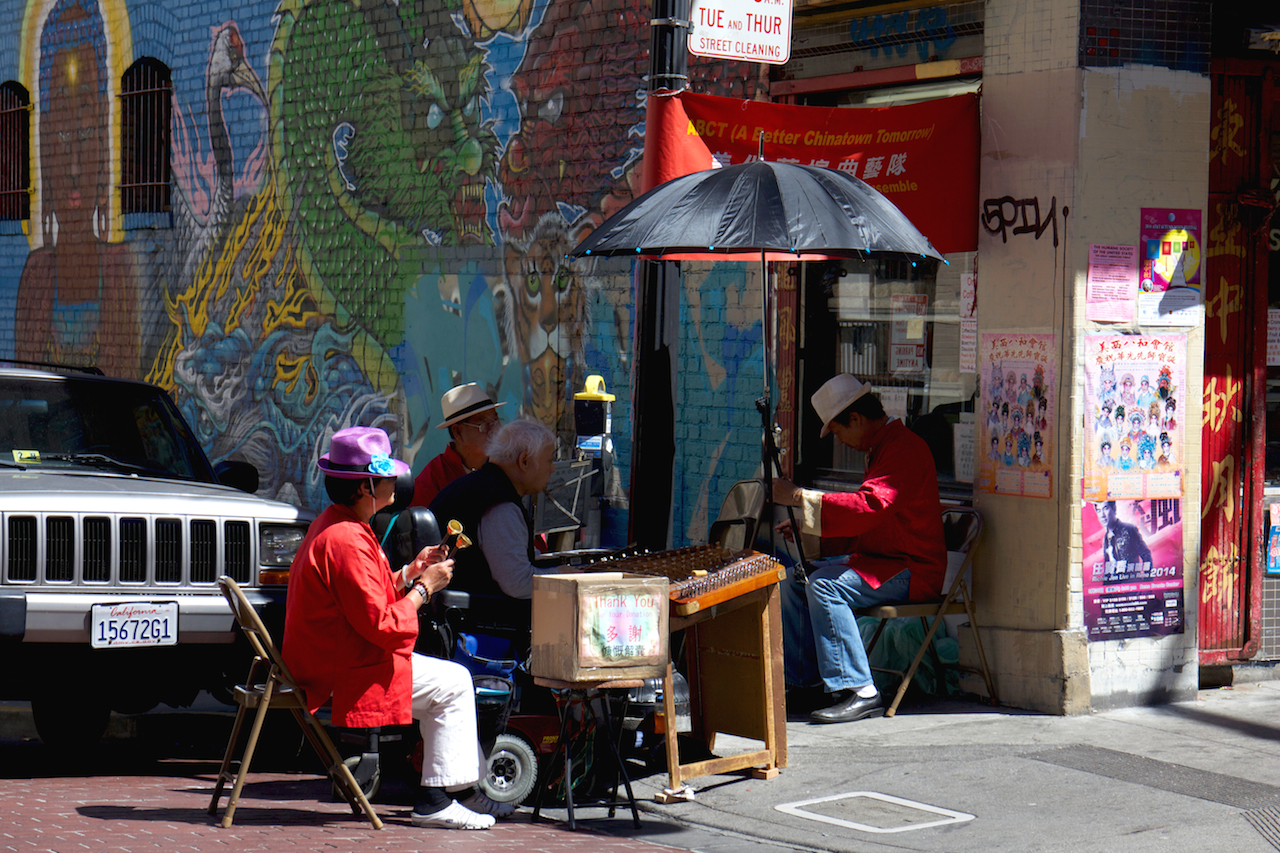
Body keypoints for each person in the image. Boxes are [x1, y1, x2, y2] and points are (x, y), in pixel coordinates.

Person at [281, 426, 513, 830]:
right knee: (455, 681)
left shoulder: (337, 525)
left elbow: (363, 597)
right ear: (366, 486)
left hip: (336, 654)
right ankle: (437, 800)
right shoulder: (347, 539)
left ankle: (460, 792)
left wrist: (408, 572)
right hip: (342, 668)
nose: (396, 483)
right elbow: (381, 625)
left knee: (451, 680)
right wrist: (426, 587)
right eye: (387, 477)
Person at [772, 374, 947, 724]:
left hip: (912, 568)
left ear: (856, 418)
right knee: (794, 579)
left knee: (824, 586)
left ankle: (860, 690)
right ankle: (806, 682)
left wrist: (800, 499)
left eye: (838, 431)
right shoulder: (882, 449)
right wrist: (811, 524)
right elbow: (870, 521)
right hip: (882, 562)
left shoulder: (903, 448)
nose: (841, 440)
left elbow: (870, 507)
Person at [429, 418, 558, 601]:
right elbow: (518, 583)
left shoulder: (479, 485)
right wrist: (565, 576)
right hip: (477, 621)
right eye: (549, 460)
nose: (552, 469)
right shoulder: (499, 504)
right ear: (524, 461)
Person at [412, 383, 505, 508]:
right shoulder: (432, 479)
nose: (494, 431)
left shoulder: (504, 468)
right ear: (458, 432)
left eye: (495, 421)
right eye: (484, 425)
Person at [1092, 500, 1152, 584]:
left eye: (1105, 509)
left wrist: (1147, 584)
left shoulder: (1129, 529)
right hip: (1115, 591)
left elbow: (1146, 554)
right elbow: (1108, 568)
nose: (1102, 515)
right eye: (1098, 511)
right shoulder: (1106, 538)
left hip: (1132, 588)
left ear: (1114, 509)